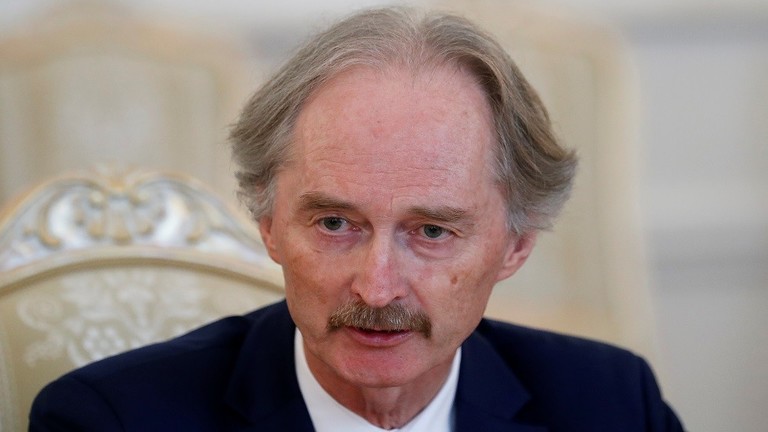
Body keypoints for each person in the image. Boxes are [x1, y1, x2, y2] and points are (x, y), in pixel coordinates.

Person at [29, 7, 684, 431]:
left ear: (515, 245)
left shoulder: (611, 404)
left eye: (432, 232)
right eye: (335, 224)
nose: (376, 289)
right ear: (269, 222)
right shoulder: (112, 420)